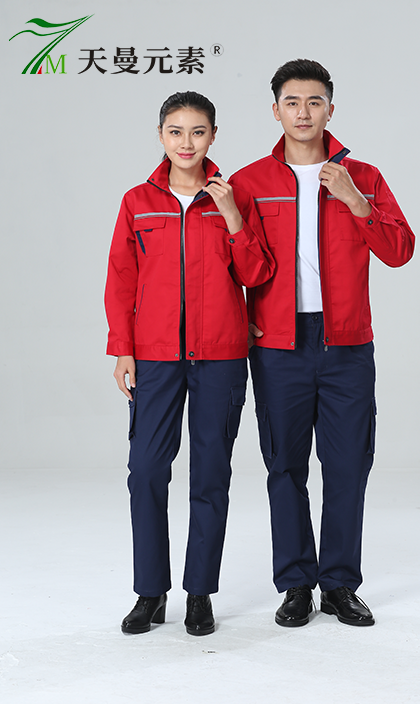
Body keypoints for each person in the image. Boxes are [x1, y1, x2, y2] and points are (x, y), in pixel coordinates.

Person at [230, 59, 415, 628]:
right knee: (284, 466)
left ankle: (338, 584)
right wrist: (243, 322)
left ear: (331, 109)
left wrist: (356, 200)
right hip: (278, 345)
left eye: (314, 101)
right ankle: (295, 584)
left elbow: (400, 250)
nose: (303, 112)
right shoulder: (250, 182)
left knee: (347, 465)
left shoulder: (364, 176)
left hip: (346, 345)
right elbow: (231, 263)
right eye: (292, 102)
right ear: (276, 110)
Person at [105, 91, 275, 636]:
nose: (186, 143)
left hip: (221, 356)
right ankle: (150, 592)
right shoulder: (137, 201)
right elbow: (121, 279)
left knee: (211, 475)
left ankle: (199, 592)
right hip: (155, 357)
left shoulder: (234, 197)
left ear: (213, 136)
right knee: (146, 472)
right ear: (160, 135)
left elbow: (256, 273)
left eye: (198, 132)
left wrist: (232, 217)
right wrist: (123, 347)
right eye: (176, 132)